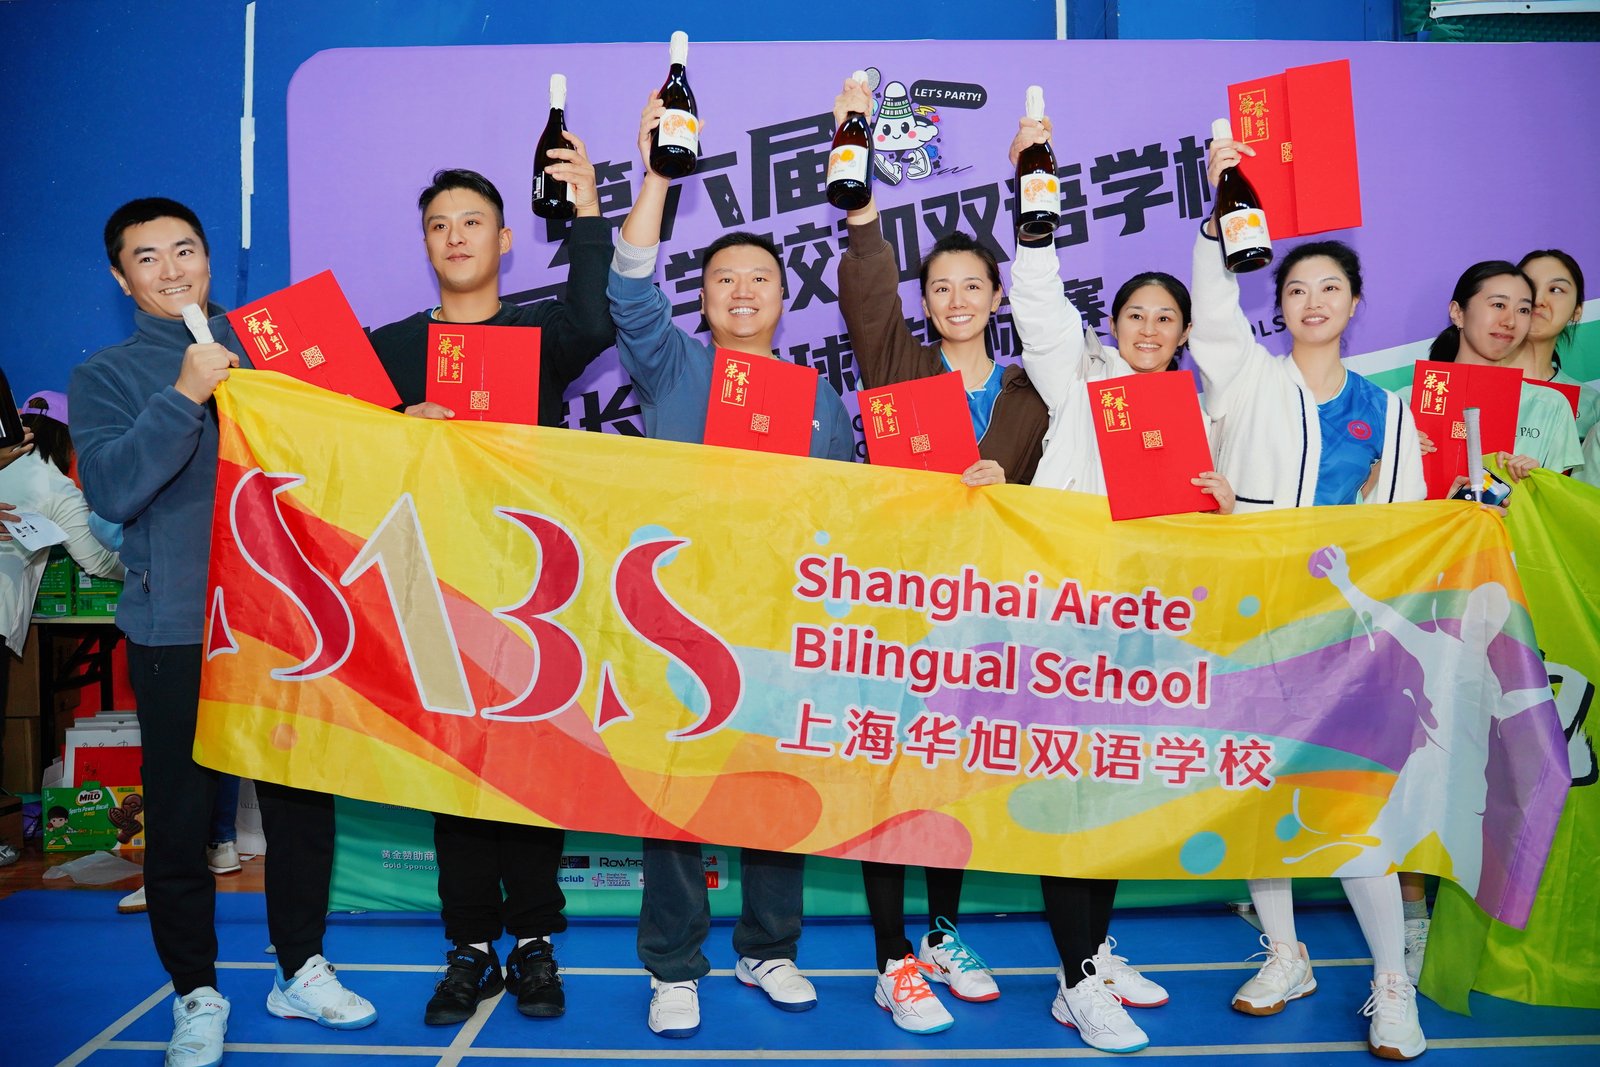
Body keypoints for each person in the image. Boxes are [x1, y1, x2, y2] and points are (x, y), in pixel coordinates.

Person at [70, 197, 378, 1067]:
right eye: (147, 258)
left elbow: (357, 447)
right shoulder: (108, 374)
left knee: (300, 808)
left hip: (284, 621)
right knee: (179, 819)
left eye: (185, 251)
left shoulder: (274, 346)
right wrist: (185, 392)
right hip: (176, 625)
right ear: (121, 277)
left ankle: (300, 966)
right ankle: (195, 991)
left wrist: (409, 429)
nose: (172, 270)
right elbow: (113, 490)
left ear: (208, 259)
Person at [609, 89, 853, 1040]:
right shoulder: (673, 365)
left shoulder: (816, 396)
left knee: (772, 787)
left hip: (779, 621)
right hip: (677, 617)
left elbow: (849, 509)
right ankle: (674, 964)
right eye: (723, 279)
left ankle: (769, 947)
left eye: (760, 278)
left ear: (785, 299)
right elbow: (629, 288)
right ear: (703, 299)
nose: (742, 290)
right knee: (673, 794)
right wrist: (657, 177)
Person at [1191, 134, 1426, 1061]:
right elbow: (1213, 306)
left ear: (1355, 303)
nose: (1314, 300)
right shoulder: (1248, 378)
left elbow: (1404, 531)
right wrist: (1220, 202)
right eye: (1296, 289)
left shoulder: (1386, 411)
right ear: (1277, 303)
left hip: (1344, 640)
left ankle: (1392, 981)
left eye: (1330, 287)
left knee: (1350, 808)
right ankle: (1286, 953)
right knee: (1260, 795)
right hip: (1251, 621)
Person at [368, 155, 614, 1027]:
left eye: (471, 222)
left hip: (531, 586)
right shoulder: (390, 348)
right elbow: (332, 443)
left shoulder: (541, 331)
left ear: (505, 240)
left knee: (532, 768)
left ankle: (536, 942)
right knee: (457, 776)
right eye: (438, 226)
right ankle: (470, 945)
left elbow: (598, 316)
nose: (455, 237)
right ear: (425, 244)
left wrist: (588, 208)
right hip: (433, 587)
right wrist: (393, 423)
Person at [831, 78, 1048, 1037]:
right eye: (941, 287)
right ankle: (892, 957)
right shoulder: (899, 365)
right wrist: (861, 199)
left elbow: (1057, 499)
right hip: (897, 605)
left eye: (973, 286)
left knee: (951, 779)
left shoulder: (1034, 392)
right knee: (891, 776)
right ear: (924, 302)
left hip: (989, 614)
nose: (957, 299)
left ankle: (945, 933)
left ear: (998, 297)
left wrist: (1009, 481)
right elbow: (866, 285)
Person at [1002, 113, 1210, 1056]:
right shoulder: (1079, 378)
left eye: (1167, 318)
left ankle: (1089, 955)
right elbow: (1039, 299)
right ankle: (1079, 977)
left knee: (1112, 791)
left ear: (1186, 333)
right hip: (1065, 615)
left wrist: (1220, 501)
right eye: (1136, 315)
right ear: (1112, 325)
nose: (1151, 329)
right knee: (1067, 796)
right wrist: (1033, 210)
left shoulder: (1197, 409)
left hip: (1142, 626)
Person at [1424, 260, 1583, 482]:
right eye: (1499, 305)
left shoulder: (1550, 405)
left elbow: (1562, 497)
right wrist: (1397, 460)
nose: (1510, 321)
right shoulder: (1410, 401)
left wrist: (1537, 481)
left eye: (1523, 310)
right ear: (1457, 312)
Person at [1514, 250, 1596, 443]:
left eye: (1556, 290)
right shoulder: (1471, 380)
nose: (1538, 300)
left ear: (1577, 311)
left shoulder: (1590, 404)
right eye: (1529, 286)